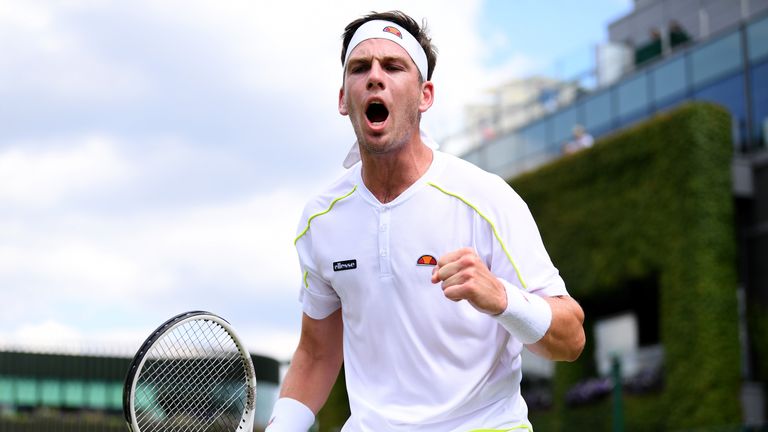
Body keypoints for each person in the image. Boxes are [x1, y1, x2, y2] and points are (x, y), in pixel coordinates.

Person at [266, 10, 585, 432]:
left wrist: (502, 298)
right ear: (344, 98)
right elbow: (317, 353)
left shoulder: (486, 198)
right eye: (359, 68)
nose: (375, 77)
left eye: (393, 66)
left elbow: (571, 338)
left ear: (425, 95)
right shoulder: (320, 219)